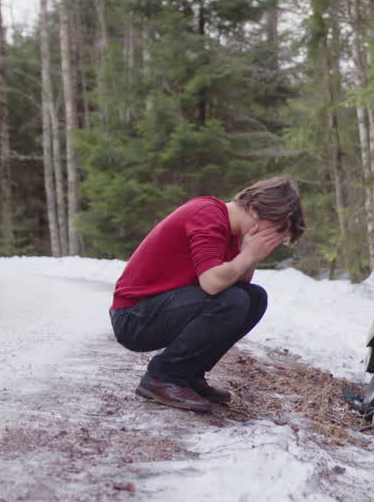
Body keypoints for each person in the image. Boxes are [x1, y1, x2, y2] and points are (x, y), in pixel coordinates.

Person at [109, 177, 305, 413]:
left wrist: (249, 254)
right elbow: (212, 283)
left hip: (160, 309)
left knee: (254, 298)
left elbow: (241, 280)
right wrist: (248, 254)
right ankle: (163, 378)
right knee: (232, 301)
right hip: (134, 316)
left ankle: (189, 374)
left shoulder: (232, 230)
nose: (272, 242)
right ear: (255, 210)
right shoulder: (207, 215)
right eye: (275, 231)